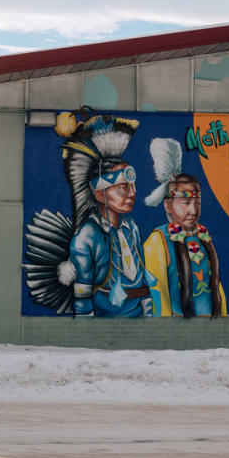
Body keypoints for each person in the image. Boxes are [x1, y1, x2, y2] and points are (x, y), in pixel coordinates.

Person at [55, 112, 150, 317]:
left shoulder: (131, 227)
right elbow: (82, 295)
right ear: (99, 194)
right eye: (122, 188)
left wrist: (149, 315)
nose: (132, 194)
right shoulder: (87, 236)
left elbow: (143, 279)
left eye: (132, 187)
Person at [142, 138, 226, 318]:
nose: (193, 210)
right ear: (167, 205)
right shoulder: (158, 240)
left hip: (210, 327)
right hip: (177, 329)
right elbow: (158, 292)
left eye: (198, 203)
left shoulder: (203, 236)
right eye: (186, 202)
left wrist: (223, 322)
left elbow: (216, 286)